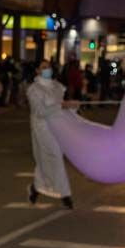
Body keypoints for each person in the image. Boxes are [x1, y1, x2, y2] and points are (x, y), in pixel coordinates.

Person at [28, 60, 77, 209]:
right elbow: (40, 111)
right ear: (37, 71)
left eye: (48, 67)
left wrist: (71, 107)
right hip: (42, 129)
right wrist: (59, 106)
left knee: (45, 161)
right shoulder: (34, 89)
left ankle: (36, 188)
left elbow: (61, 108)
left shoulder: (57, 86)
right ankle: (65, 195)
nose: (47, 69)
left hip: (58, 127)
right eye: (43, 67)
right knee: (55, 157)